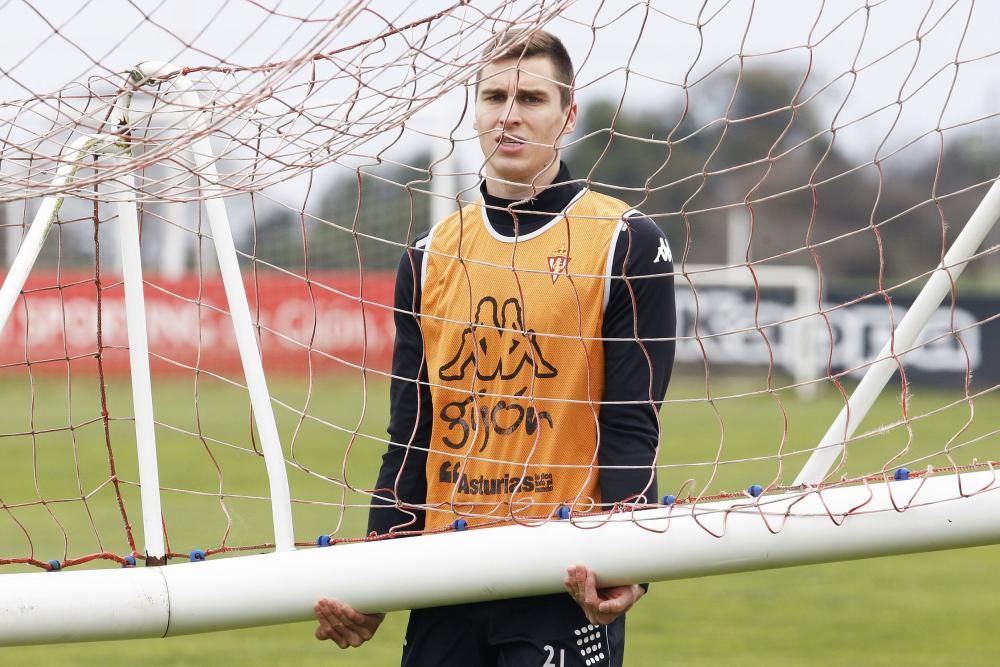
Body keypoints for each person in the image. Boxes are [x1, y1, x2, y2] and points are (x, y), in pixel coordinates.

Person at [314, 29, 675, 666]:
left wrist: (631, 565)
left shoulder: (625, 240)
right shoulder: (427, 259)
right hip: (445, 574)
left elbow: (630, 425)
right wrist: (374, 575)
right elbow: (411, 435)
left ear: (566, 117)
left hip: (561, 574)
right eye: (493, 97)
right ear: (474, 112)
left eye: (531, 98)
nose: (509, 115)